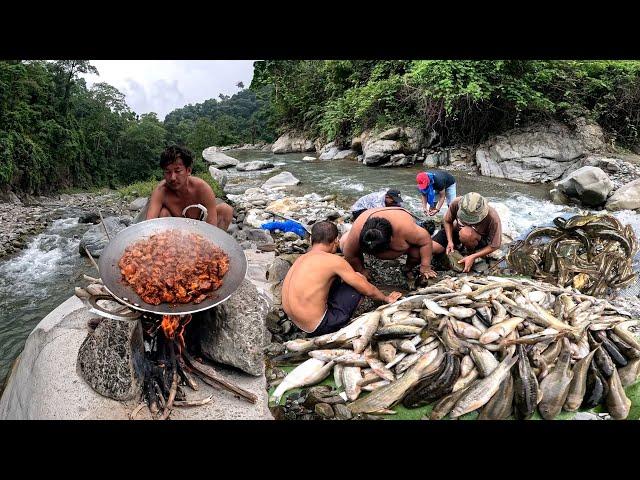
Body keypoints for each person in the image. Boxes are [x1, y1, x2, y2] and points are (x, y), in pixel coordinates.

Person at [282, 221, 402, 336]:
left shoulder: (301, 259)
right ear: (336, 241)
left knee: (334, 278)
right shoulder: (334, 261)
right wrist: (386, 298)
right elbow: (367, 289)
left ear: (311, 240)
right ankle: (340, 323)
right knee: (359, 278)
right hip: (319, 326)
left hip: (295, 320)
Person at [145, 145, 234, 231]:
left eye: (178, 171)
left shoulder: (202, 188)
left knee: (226, 210)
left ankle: (217, 244)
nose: (172, 177)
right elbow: (149, 224)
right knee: (163, 213)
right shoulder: (161, 191)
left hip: (201, 229)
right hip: (174, 232)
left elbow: (212, 225)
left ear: (188, 171)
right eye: (168, 172)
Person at [341, 207, 438, 281]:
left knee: (420, 253)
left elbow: (426, 242)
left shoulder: (407, 229)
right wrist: (361, 270)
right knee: (344, 243)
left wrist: (425, 267)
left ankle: (407, 269)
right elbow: (350, 254)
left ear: (391, 238)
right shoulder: (358, 231)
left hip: (404, 234)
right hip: (361, 234)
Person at [431, 192, 502, 273]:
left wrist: (473, 256)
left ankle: (468, 252)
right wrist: (450, 241)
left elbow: (495, 245)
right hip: (456, 231)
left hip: (477, 239)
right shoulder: (456, 203)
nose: (468, 222)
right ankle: (451, 251)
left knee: (465, 233)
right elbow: (447, 221)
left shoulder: (492, 217)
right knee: (431, 247)